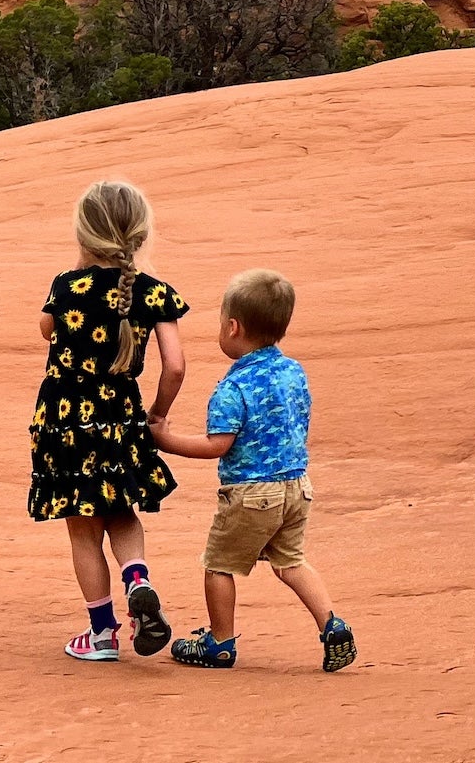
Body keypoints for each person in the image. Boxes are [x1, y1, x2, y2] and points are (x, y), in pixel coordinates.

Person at [150, 268, 356, 672]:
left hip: (250, 492)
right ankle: (332, 625)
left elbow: (217, 444)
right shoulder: (294, 372)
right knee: (291, 562)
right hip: (297, 486)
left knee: (219, 565)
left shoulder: (234, 386)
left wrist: (164, 439)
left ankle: (220, 642)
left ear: (232, 327)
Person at [28, 180, 188, 662]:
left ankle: (101, 635)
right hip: (120, 417)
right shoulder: (154, 293)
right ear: (140, 234)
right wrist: (158, 414)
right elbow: (175, 365)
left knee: (82, 529)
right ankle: (138, 578)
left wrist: (80, 275)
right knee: (121, 511)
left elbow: (45, 329)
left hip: (65, 421)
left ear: (84, 233)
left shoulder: (65, 286)